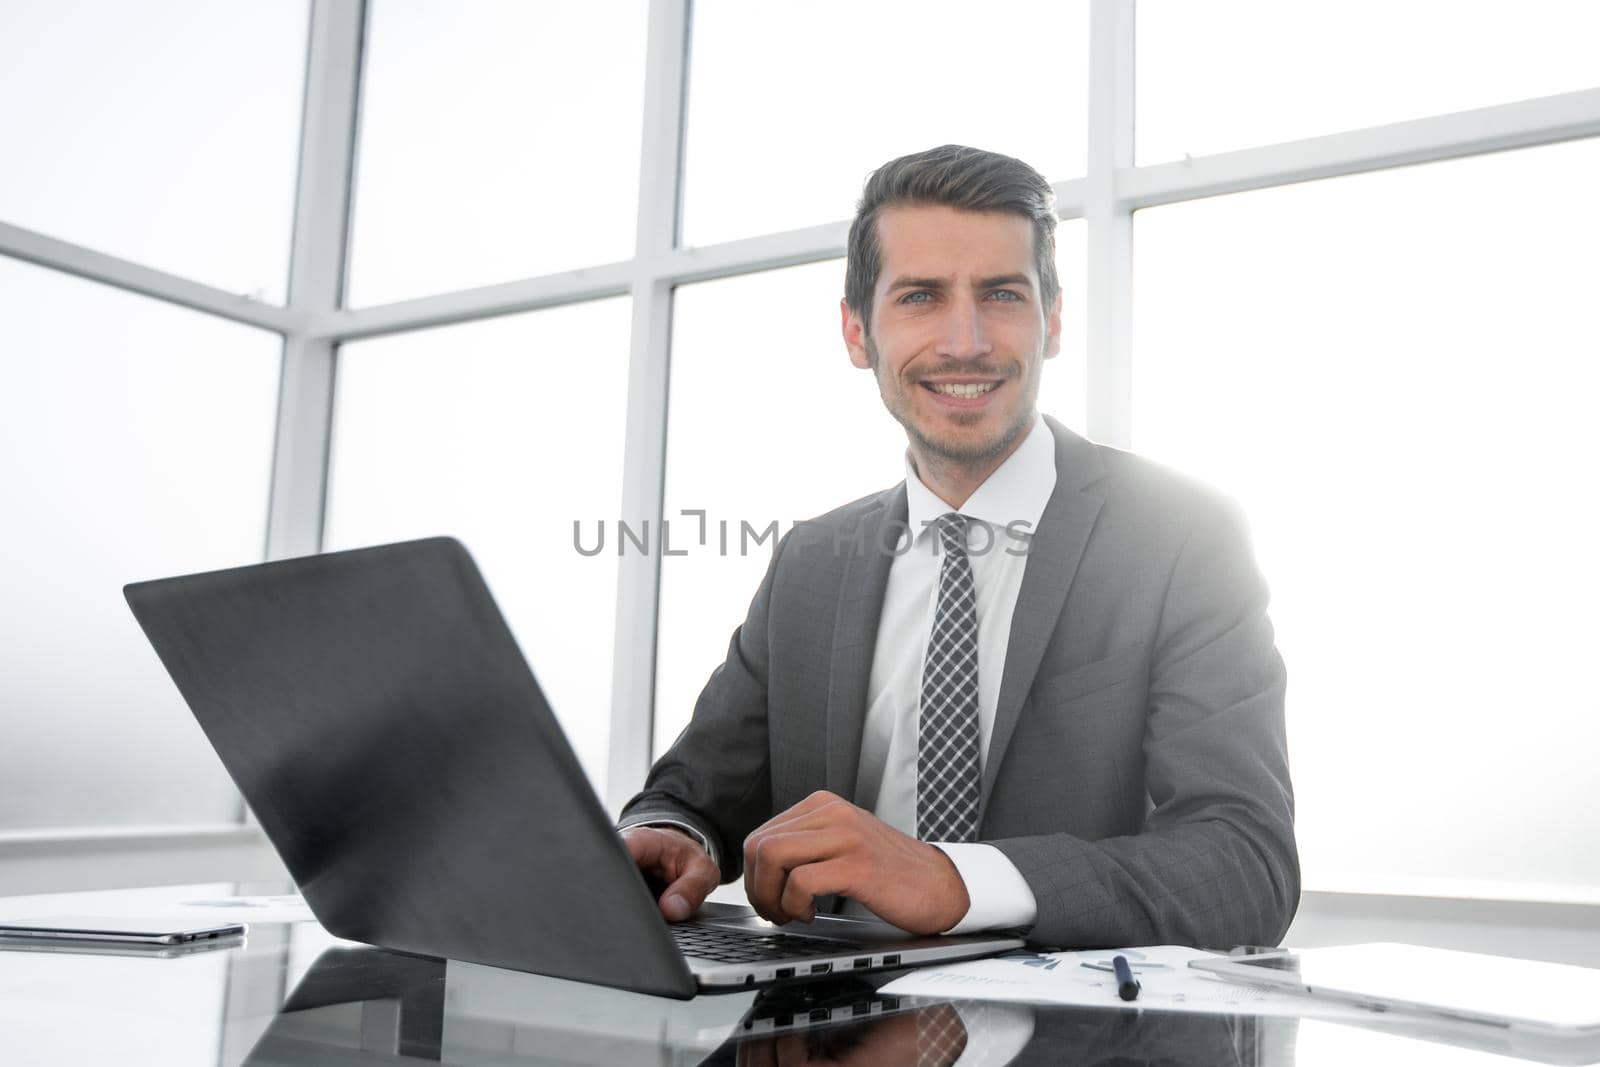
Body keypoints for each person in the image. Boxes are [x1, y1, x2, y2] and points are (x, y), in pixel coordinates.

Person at [618, 144, 1298, 950]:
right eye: (920, 297)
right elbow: (696, 792)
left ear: (1052, 320)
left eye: (1002, 294)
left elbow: (1245, 863)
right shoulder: (809, 560)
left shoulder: (1185, 536)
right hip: (817, 1030)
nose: (965, 339)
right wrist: (673, 837)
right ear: (856, 330)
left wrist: (956, 879)